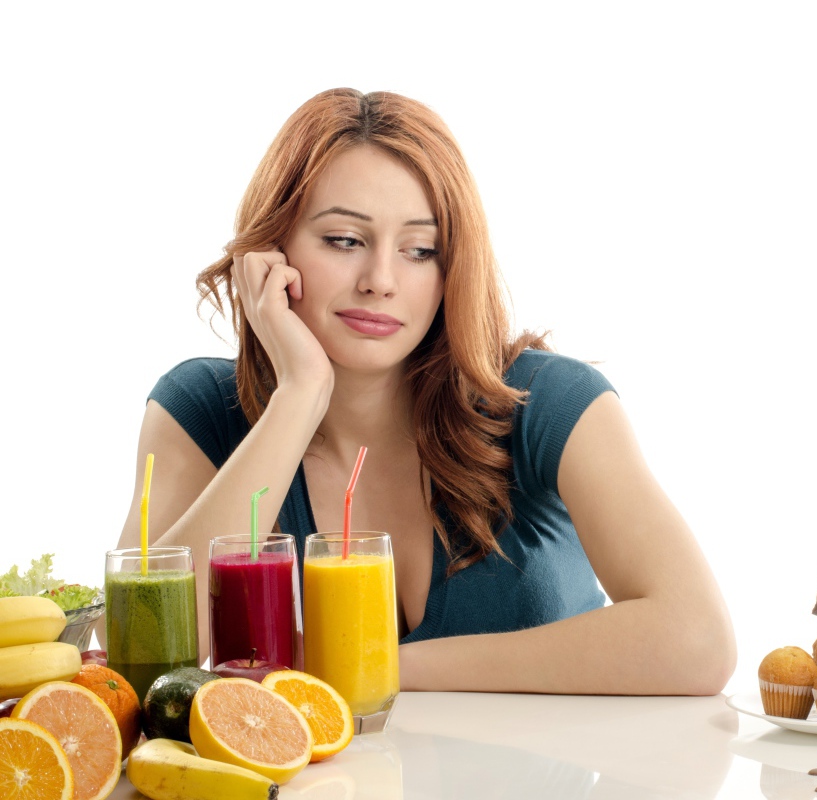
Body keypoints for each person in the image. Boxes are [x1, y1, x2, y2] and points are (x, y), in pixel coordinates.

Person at [109, 88, 735, 695]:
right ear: (271, 249)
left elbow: (697, 640)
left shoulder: (552, 403)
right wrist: (298, 397)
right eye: (345, 241)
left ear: (451, 267)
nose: (381, 280)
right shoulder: (199, 410)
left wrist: (383, 667)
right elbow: (138, 651)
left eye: (420, 250)